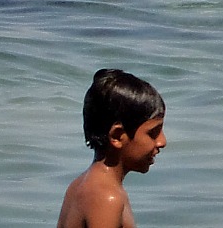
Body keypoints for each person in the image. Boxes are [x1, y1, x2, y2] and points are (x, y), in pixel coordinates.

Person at [57, 69, 167, 228]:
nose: (162, 141)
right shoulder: (107, 198)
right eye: (153, 133)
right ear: (117, 136)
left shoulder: (80, 185)